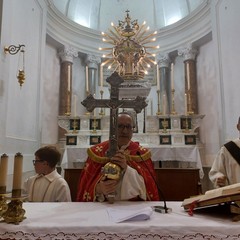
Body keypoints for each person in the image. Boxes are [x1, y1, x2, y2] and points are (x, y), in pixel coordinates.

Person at [76, 112, 159, 202]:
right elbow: (85, 187)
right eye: (120, 126)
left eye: (128, 127)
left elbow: (149, 187)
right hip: (102, 207)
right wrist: (98, 189)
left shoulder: (141, 154)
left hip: (133, 207)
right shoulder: (97, 153)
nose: (124, 131)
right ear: (112, 129)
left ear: (133, 129)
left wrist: (126, 168)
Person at [209, 117, 240, 188]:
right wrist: (220, 178)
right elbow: (215, 172)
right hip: (235, 195)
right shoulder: (228, 149)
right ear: (238, 127)